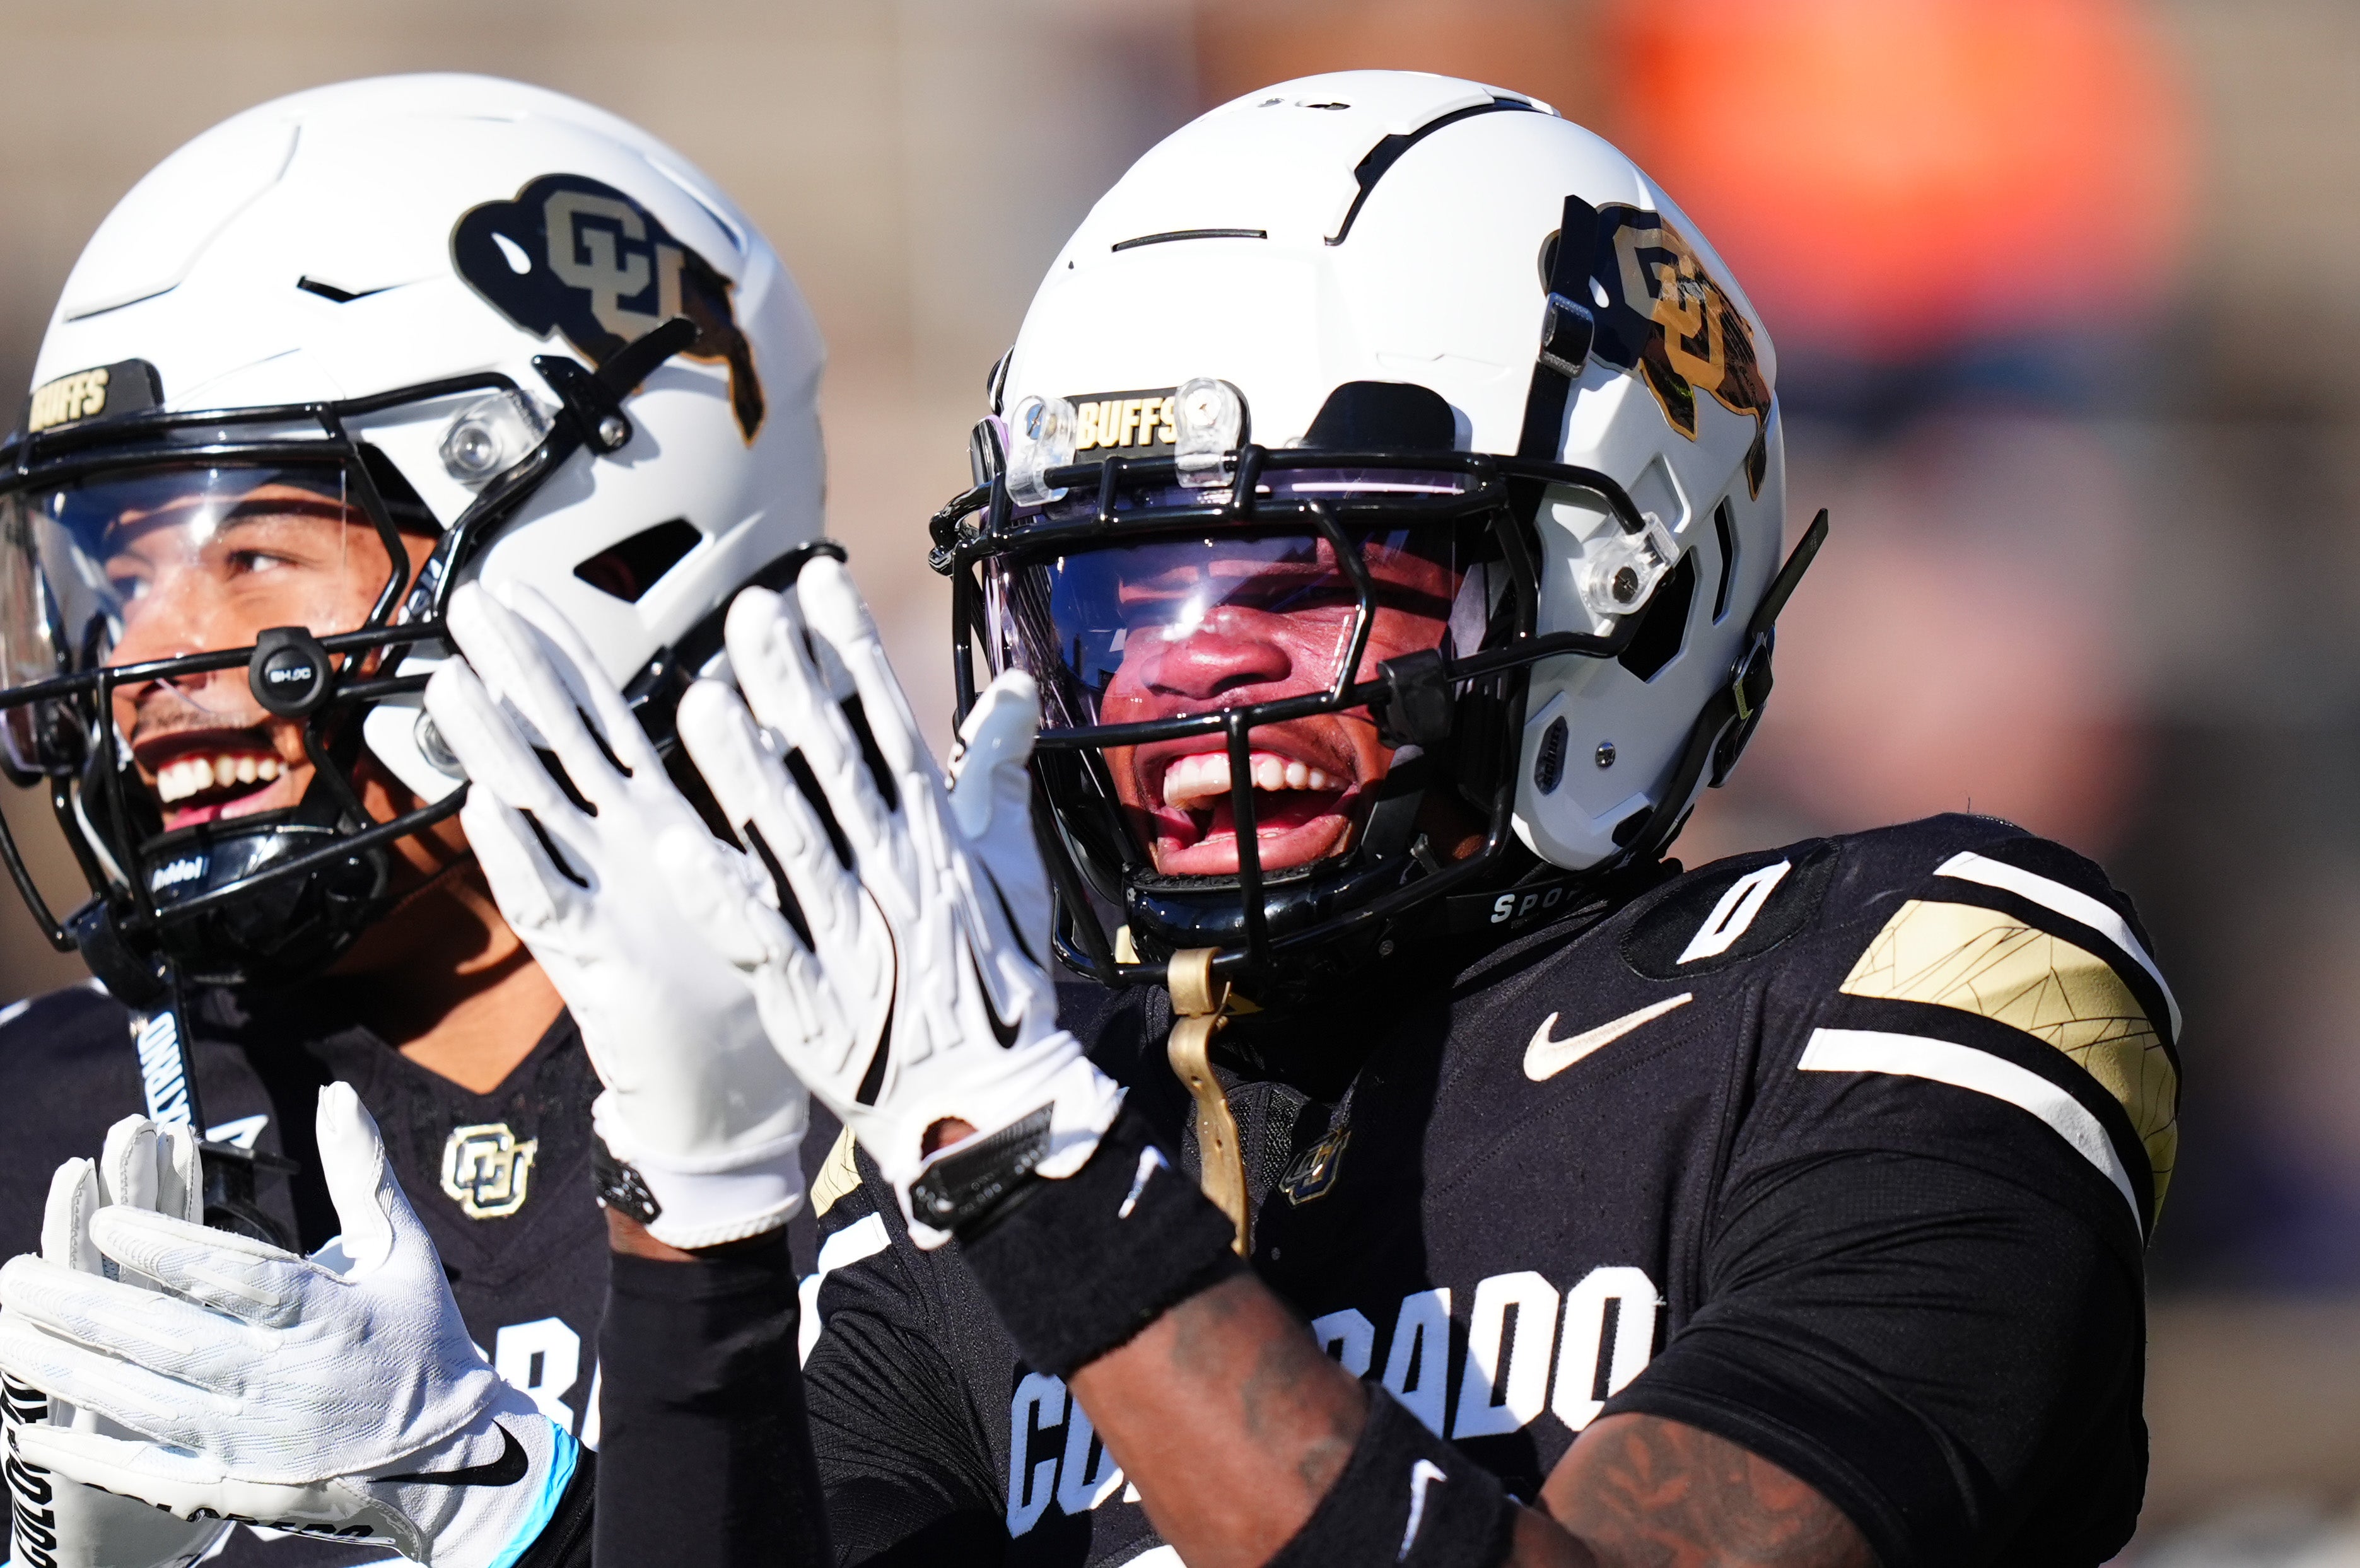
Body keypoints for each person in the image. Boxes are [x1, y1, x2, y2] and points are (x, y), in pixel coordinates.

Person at [1, 69, 2177, 1568]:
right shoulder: (1007, 1158)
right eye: (1123, 603)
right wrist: (521, 1489)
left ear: (1625, 574)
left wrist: (1021, 1158)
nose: (1195, 678)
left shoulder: (1910, 973)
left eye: (1310, 580)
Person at [0, 72, 835, 1567]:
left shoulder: (890, 1087)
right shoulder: (42, 1116)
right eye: (111, 582)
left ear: (578, 547)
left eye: (249, 554)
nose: (139, 667)